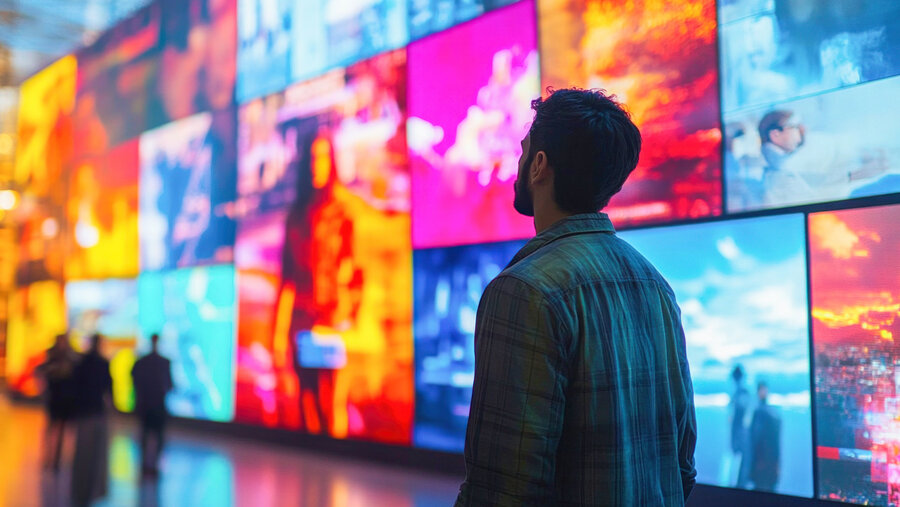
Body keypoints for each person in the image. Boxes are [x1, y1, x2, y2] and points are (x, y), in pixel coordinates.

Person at [456, 89, 696, 506]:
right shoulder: (656, 286)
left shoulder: (524, 291)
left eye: (524, 151)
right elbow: (681, 465)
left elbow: (502, 489)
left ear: (539, 165)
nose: (518, 163)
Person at [758, 110, 887, 207]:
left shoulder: (781, 163)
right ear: (775, 134)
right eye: (794, 127)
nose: (802, 131)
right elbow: (816, 180)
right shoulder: (783, 167)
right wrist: (857, 174)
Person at [70, 334, 112, 507]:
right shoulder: (102, 364)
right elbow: (109, 390)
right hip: (95, 414)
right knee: (94, 456)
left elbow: (74, 388)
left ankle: (79, 491)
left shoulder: (82, 363)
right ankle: (89, 492)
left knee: (82, 455)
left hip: (84, 414)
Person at [36, 333, 80, 472]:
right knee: (51, 428)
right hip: (54, 397)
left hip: (65, 399)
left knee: (61, 430)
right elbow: (41, 370)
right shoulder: (53, 356)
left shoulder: (71, 358)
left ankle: (56, 459)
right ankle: (48, 457)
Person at [132, 333, 174, 477]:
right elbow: (170, 385)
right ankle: (150, 464)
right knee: (154, 436)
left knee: (148, 436)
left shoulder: (144, 362)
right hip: (155, 406)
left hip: (149, 406)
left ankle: (147, 464)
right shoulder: (162, 363)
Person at [749, 381, 781, 493]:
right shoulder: (760, 412)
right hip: (761, 462)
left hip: (767, 462)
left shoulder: (770, 413)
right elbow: (754, 440)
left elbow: (775, 442)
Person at [729, 365, 752, 488]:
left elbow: (743, 418)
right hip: (740, 435)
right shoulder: (739, 394)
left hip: (741, 435)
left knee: (741, 467)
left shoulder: (741, 394)